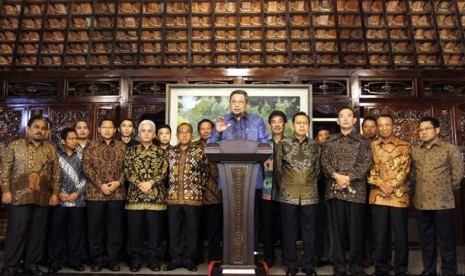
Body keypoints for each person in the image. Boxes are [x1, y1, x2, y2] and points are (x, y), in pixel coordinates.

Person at [207, 89, 269, 256]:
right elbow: (210, 146)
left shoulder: (257, 121)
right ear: (229, 103)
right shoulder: (221, 121)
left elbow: (266, 146)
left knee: (251, 217)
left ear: (247, 104)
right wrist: (218, 132)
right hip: (228, 180)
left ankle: (252, 253)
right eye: (233, 101)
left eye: (240, 101)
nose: (236, 104)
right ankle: (230, 253)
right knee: (229, 217)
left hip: (251, 179)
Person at [1, 116, 60, 276]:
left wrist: (55, 193)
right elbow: (4, 170)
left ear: (47, 132)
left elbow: (56, 173)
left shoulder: (50, 148)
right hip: (19, 197)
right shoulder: (14, 145)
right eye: (36, 127)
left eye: (43, 128)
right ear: (28, 129)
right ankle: (11, 265)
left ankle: (31, 264)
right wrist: (5, 190)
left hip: (42, 197)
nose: (39, 130)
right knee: (16, 232)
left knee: (37, 233)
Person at [321, 107, 372, 276]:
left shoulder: (363, 141)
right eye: (341, 116)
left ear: (354, 120)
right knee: (337, 232)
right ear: (337, 120)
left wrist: (347, 178)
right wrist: (337, 176)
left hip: (356, 191)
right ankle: (339, 268)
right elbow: (324, 162)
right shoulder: (330, 140)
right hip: (335, 190)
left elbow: (365, 164)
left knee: (356, 232)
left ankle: (356, 267)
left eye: (348, 116)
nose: (345, 119)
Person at [411, 116, 464, 276]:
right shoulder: (415, 151)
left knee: (446, 241)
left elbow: (458, 175)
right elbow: (413, 174)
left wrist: (445, 189)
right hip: (421, 203)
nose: (423, 132)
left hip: (443, 204)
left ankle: (449, 271)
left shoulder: (449, 149)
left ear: (437, 130)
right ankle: (429, 270)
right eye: (420, 129)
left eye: (427, 128)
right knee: (427, 242)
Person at [275, 112, 320, 276]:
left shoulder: (315, 145)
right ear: (292, 126)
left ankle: (308, 265)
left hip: (310, 194)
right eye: (298, 123)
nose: (302, 126)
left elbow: (318, 170)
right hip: (288, 194)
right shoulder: (283, 144)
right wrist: (286, 187)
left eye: (305, 123)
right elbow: (278, 170)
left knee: (310, 232)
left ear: (308, 126)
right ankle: (291, 264)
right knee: (289, 231)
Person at [368, 115, 411, 276]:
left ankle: (400, 268)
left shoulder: (404, 146)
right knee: (380, 235)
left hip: (399, 196)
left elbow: (405, 170)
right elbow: (369, 170)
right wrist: (381, 184)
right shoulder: (371, 146)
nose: (384, 128)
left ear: (393, 126)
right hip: (378, 195)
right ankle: (381, 268)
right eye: (380, 125)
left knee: (400, 234)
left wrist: (390, 186)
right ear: (377, 128)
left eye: (387, 125)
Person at [124, 120, 168, 272]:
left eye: (150, 131)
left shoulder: (161, 152)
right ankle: (135, 259)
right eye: (144, 131)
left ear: (154, 134)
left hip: (156, 197)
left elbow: (163, 171)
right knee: (135, 232)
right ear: (139, 133)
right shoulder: (130, 151)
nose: (147, 133)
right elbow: (127, 171)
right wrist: (140, 184)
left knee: (154, 233)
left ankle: (153, 259)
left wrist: (150, 183)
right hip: (135, 197)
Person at [83, 118, 126, 272]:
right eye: (104, 127)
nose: (107, 130)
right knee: (95, 229)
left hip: (117, 194)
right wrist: (100, 184)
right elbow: (86, 167)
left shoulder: (122, 146)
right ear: (99, 129)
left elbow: (127, 168)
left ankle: (113, 260)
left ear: (115, 130)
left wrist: (118, 183)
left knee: (115, 229)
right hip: (95, 194)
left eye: (110, 127)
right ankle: (97, 260)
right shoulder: (91, 145)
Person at [164, 123, 208, 272]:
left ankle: (190, 259)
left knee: (192, 230)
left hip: (193, 197)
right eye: (181, 132)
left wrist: (197, 190)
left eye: (187, 132)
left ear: (192, 134)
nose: (184, 135)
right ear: (176, 135)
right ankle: (175, 259)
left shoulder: (199, 152)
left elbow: (204, 173)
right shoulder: (169, 152)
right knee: (174, 230)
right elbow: (165, 174)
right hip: (173, 197)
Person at [48, 128, 87, 273]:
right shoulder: (56, 156)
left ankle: (75, 260)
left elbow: (86, 177)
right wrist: (58, 193)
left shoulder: (83, 156)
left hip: (77, 200)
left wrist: (77, 193)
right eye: (71, 138)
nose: (74, 141)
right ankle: (55, 261)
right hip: (59, 199)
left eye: (76, 138)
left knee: (76, 232)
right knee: (57, 232)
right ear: (63, 141)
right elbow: (50, 176)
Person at [193, 119, 222, 263]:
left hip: (215, 193)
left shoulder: (219, 145)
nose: (205, 131)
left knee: (214, 228)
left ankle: (214, 256)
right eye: (202, 129)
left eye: (208, 128)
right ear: (198, 131)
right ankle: (197, 256)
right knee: (196, 228)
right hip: (196, 193)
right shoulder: (193, 147)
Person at [261, 110, 287, 268]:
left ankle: (287, 256)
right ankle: (269, 258)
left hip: (286, 192)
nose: (277, 125)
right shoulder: (264, 145)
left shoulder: (290, 143)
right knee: (267, 226)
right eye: (274, 122)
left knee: (286, 226)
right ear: (269, 125)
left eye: (280, 121)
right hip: (267, 191)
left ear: (285, 124)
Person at [314, 127, 332, 267]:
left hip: (333, 193)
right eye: (321, 135)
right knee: (319, 226)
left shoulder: (334, 151)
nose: (324, 137)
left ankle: (332, 255)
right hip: (318, 194)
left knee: (332, 226)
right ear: (316, 138)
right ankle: (321, 255)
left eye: (326, 135)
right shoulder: (314, 152)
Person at [361, 116, 377, 267]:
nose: (369, 129)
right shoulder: (358, 144)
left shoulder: (381, 145)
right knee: (364, 224)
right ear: (362, 128)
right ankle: (366, 255)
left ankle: (383, 258)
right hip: (362, 189)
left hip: (379, 190)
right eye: (366, 126)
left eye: (372, 126)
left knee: (380, 225)